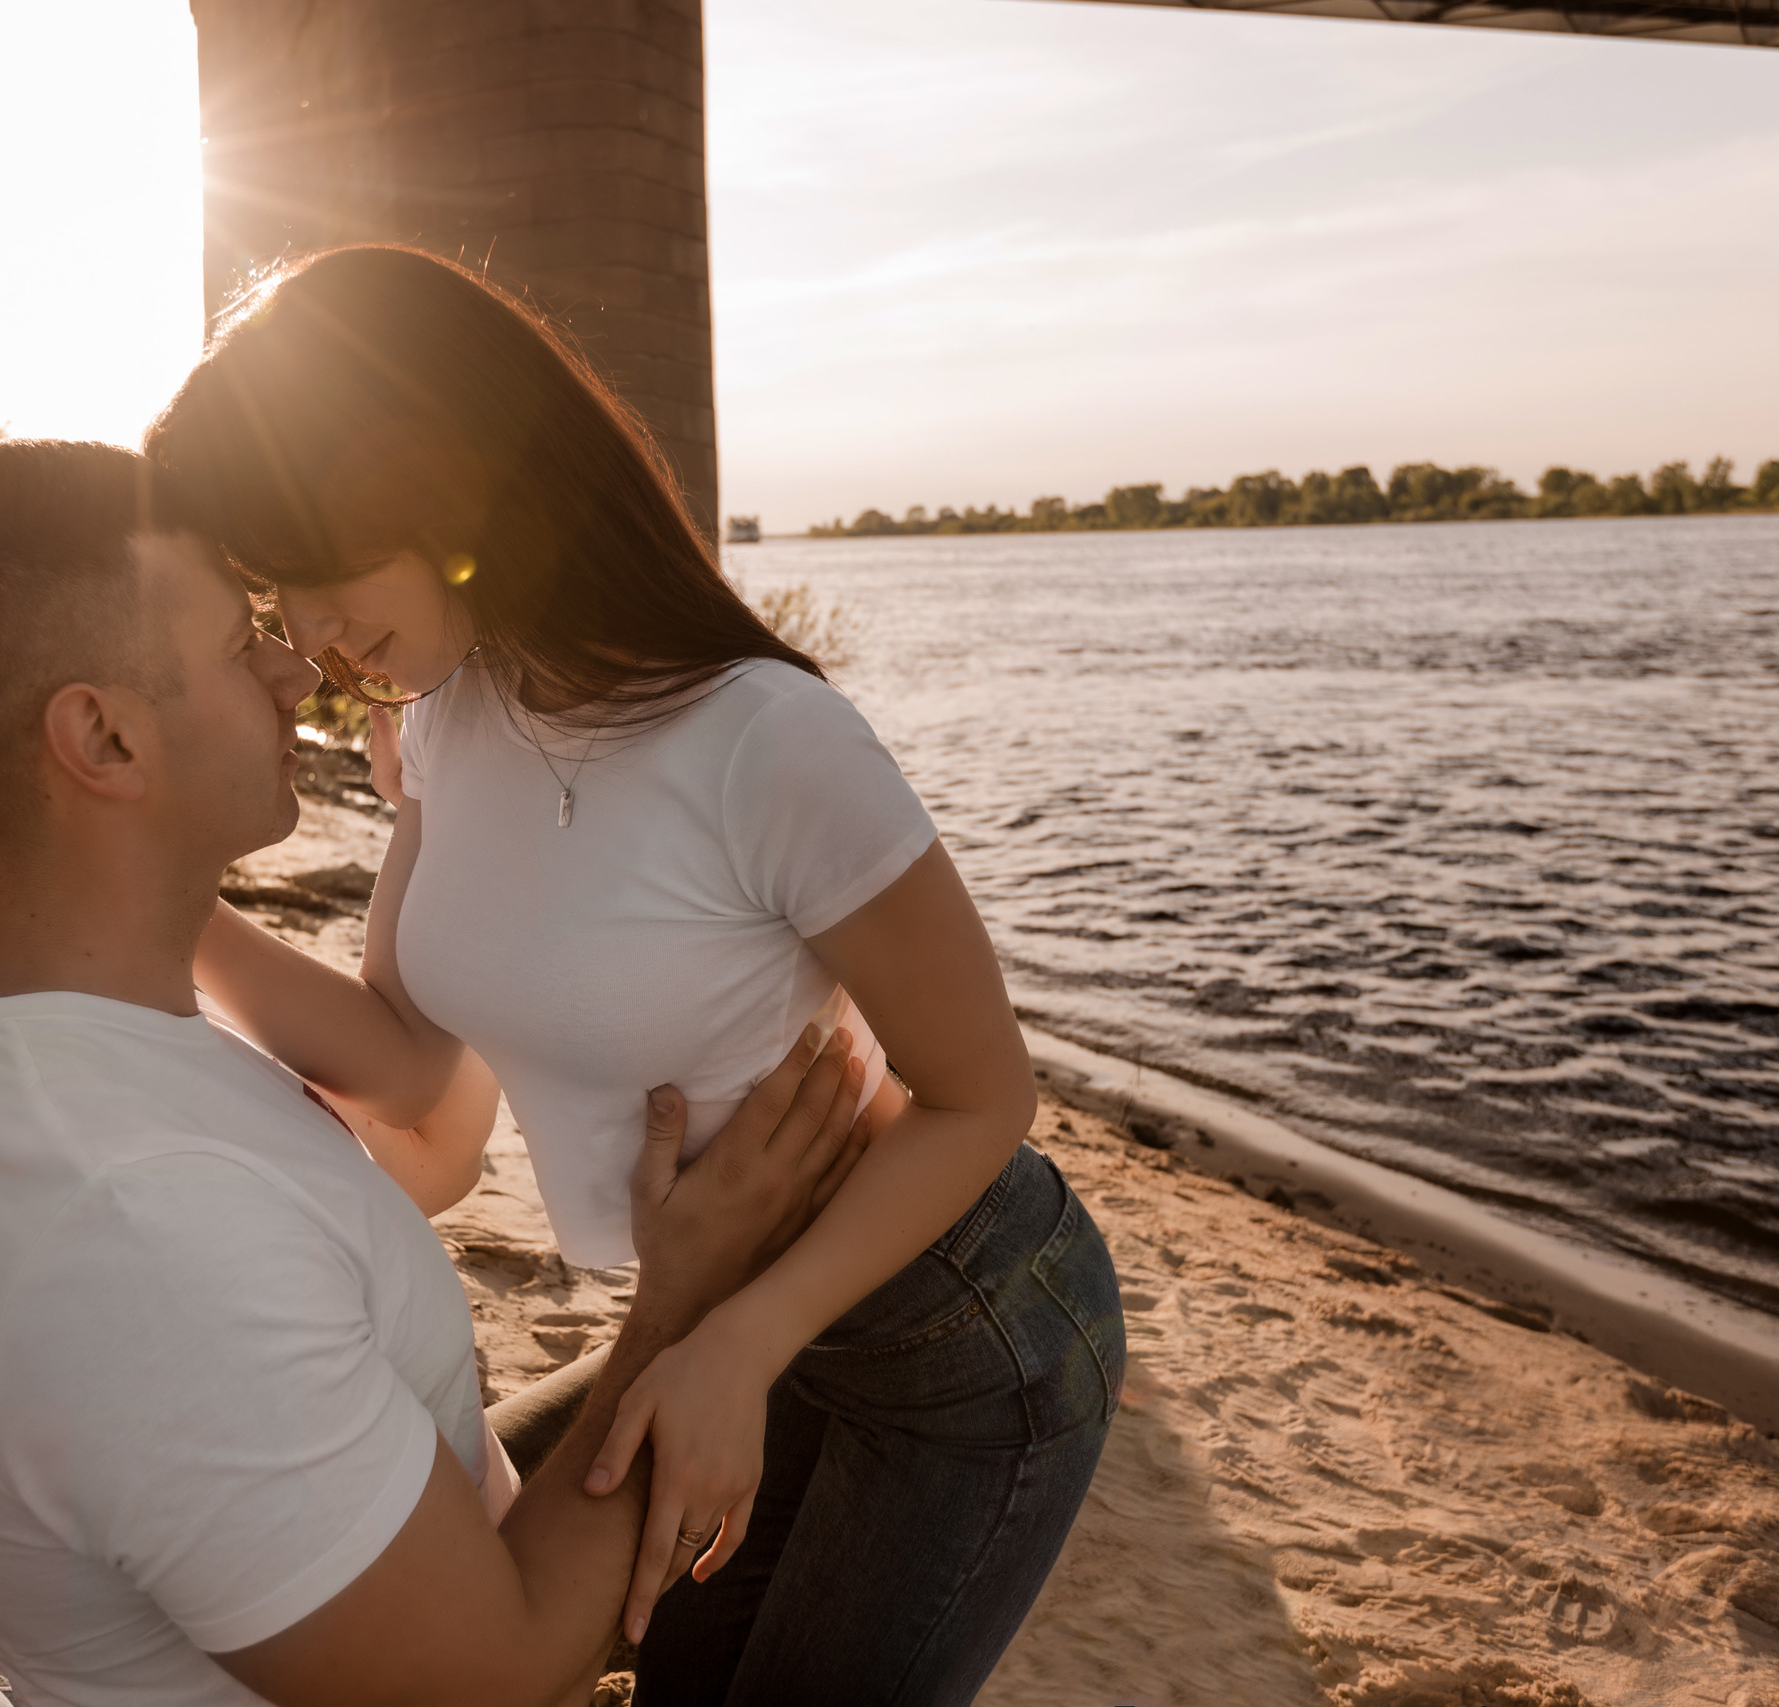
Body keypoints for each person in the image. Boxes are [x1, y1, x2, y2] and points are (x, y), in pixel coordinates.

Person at [148, 246, 1126, 1704]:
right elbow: (414, 1068)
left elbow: (986, 1095)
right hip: (721, 1305)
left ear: (443, 476)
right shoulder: (438, 717)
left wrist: (742, 1334)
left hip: (961, 1333)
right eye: (270, 588)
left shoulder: (765, 739)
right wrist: (157, 899)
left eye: (314, 564)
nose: (307, 630)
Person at [0, 437, 874, 1707]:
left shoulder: (55, 1016)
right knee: (924, 1413)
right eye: (235, 645)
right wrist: (684, 1298)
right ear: (101, 739)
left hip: (407, 1541)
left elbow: (402, 1150)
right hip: (476, 1638)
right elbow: (491, 1675)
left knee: (845, 1371)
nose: (293, 671)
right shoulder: (129, 1228)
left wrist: (440, 799)